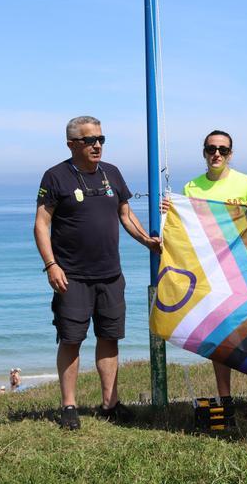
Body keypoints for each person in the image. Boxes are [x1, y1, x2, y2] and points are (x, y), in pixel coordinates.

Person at [34, 116, 161, 430]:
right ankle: (69, 407)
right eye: (90, 140)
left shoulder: (112, 173)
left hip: (110, 275)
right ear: (72, 144)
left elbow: (125, 214)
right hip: (71, 276)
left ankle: (110, 403)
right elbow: (41, 224)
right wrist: (51, 265)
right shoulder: (56, 176)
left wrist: (146, 241)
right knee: (71, 340)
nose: (97, 145)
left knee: (109, 338)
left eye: (101, 139)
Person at [161, 130, 247, 420]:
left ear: (231, 153)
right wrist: (169, 210)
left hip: (245, 271)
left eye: (223, 149)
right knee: (219, 339)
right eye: (212, 149)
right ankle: (227, 400)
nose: (217, 154)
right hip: (210, 272)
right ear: (204, 152)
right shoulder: (192, 187)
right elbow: (186, 229)